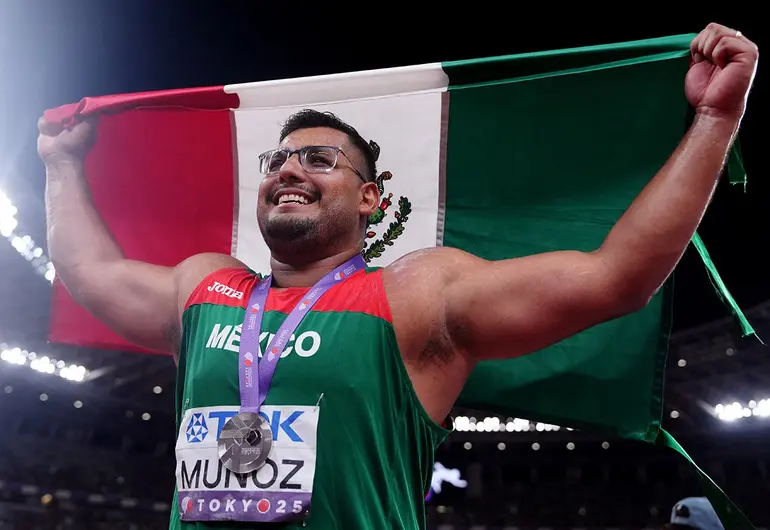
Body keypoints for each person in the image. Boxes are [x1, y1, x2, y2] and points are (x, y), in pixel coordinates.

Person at [37, 23, 757, 530]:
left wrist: (715, 118)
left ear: (371, 199)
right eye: (277, 160)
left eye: (319, 160)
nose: (288, 169)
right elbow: (88, 270)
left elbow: (614, 278)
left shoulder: (416, 295)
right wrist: (62, 162)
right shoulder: (206, 288)